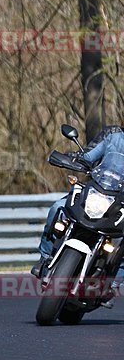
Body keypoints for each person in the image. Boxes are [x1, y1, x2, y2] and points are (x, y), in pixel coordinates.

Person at [31, 125, 124, 305]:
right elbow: (89, 157)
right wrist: (74, 159)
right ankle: (45, 257)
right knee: (57, 207)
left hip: (121, 201)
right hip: (98, 190)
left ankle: (111, 283)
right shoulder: (114, 136)